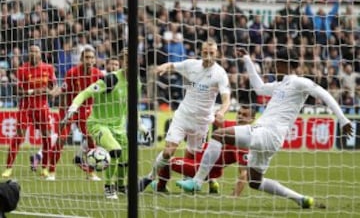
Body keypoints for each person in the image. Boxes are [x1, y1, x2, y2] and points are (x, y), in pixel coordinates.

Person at [176, 48, 353, 208]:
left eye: (277, 63)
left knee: (218, 135)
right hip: (271, 139)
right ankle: (300, 199)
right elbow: (259, 88)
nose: (274, 66)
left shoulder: (300, 83)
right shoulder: (279, 85)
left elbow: (324, 94)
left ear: (284, 64)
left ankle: (197, 182)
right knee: (255, 182)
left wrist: (343, 120)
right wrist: (247, 59)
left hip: (267, 133)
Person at [139, 39, 231, 192]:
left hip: (202, 122)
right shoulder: (191, 65)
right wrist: (164, 66)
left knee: (193, 157)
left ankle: (171, 185)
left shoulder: (220, 73)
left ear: (217, 54)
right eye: (205, 52)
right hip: (183, 116)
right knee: (169, 151)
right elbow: (173, 66)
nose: (208, 56)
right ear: (201, 52)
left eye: (211, 53)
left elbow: (226, 99)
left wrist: (221, 111)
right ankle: (150, 178)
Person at [61, 49, 147, 199]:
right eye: (126, 61)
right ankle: (109, 187)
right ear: (122, 63)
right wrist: (73, 107)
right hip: (98, 124)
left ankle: (121, 186)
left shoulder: (137, 83)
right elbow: (85, 92)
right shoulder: (111, 80)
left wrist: (140, 125)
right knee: (115, 150)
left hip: (118, 127)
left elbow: (131, 106)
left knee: (126, 159)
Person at [151, 105, 255, 196]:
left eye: (245, 115)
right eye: (239, 113)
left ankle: (161, 186)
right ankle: (211, 182)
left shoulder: (243, 143)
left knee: (167, 160)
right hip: (204, 158)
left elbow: (244, 173)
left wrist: (234, 195)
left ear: (252, 119)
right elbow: (216, 120)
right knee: (193, 147)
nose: (240, 116)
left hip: (201, 167)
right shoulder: (232, 126)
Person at [42, 46, 104, 181]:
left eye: (92, 58)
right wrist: (63, 113)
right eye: (87, 57)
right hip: (70, 109)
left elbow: (102, 95)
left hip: (87, 110)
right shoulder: (72, 73)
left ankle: (91, 172)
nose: (89, 60)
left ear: (95, 60)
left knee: (91, 140)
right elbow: (64, 93)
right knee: (61, 139)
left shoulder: (98, 74)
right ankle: (51, 171)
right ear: (82, 59)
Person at [2, 44, 59, 178]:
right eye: (31, 51)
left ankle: (44, 167)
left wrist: (51, 92)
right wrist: (33, 91)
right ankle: (8, 168)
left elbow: (54, 87)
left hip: (42, 107)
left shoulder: (48, 68)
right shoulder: (22, 69)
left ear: (40, 54)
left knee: (46, 136)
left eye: (36, 51)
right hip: (25, 108)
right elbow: (17, 91)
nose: (33, 54)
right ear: (28, 54)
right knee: (19, 136)